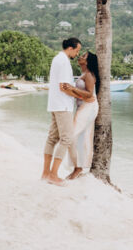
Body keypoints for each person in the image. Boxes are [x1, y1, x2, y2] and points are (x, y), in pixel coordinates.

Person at [41, 37, 81, 186]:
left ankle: (45, 173)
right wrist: (79, 96)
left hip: (54, 104)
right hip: (63, 106)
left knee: (52, 138)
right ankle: (53, 175)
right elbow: (63, 86)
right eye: (77, 50)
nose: (77, 54)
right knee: (66, 139)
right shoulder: (64, 61)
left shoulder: (57, 59)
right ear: (70, 48)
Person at [61, 51, 100, 180]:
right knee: (81, 137)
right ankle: (79, 168)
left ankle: (78, 168)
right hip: (84, 106)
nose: (80, 57)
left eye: (83, 56)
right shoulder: (84, 74)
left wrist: (72, 88)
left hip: (88, 107)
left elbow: (89, 93)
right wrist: (70, 91)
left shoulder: (88, 75)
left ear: (87, 62)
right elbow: (82, 94)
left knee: (73, 135)